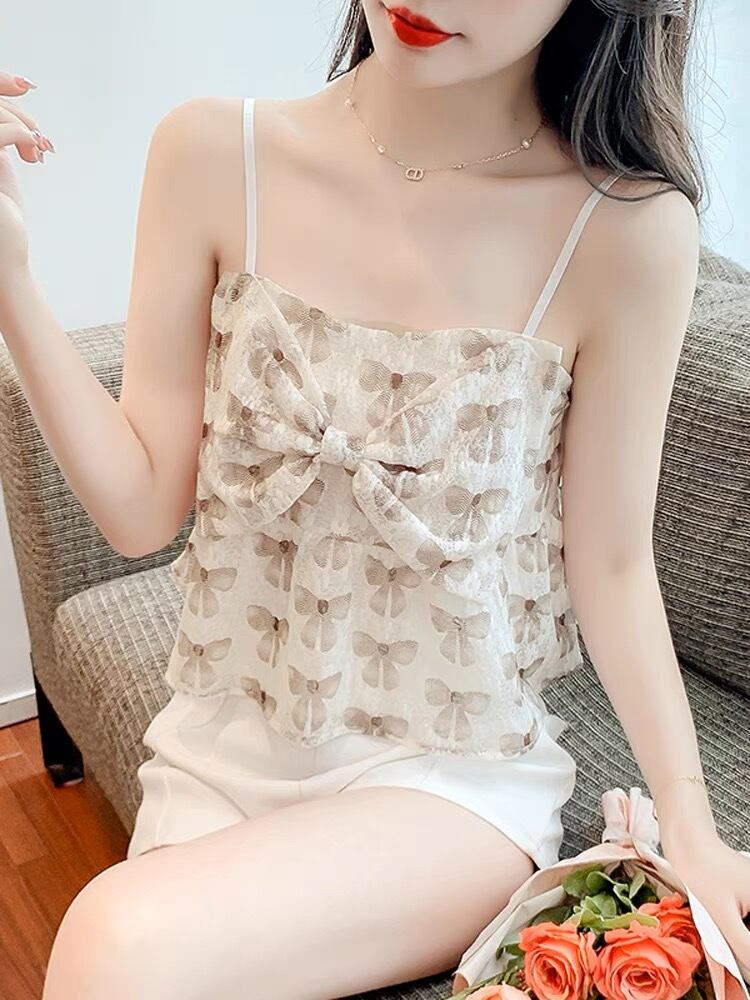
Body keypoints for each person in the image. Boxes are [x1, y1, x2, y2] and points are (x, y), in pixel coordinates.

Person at [0, 2, 747, 997]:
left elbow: (611, 565)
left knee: (114, 940)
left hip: (448, 780)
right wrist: (11, 278)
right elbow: (139, 514)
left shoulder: (624, 231)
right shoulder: (213, 155)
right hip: (215, 750)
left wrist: (690, 821)